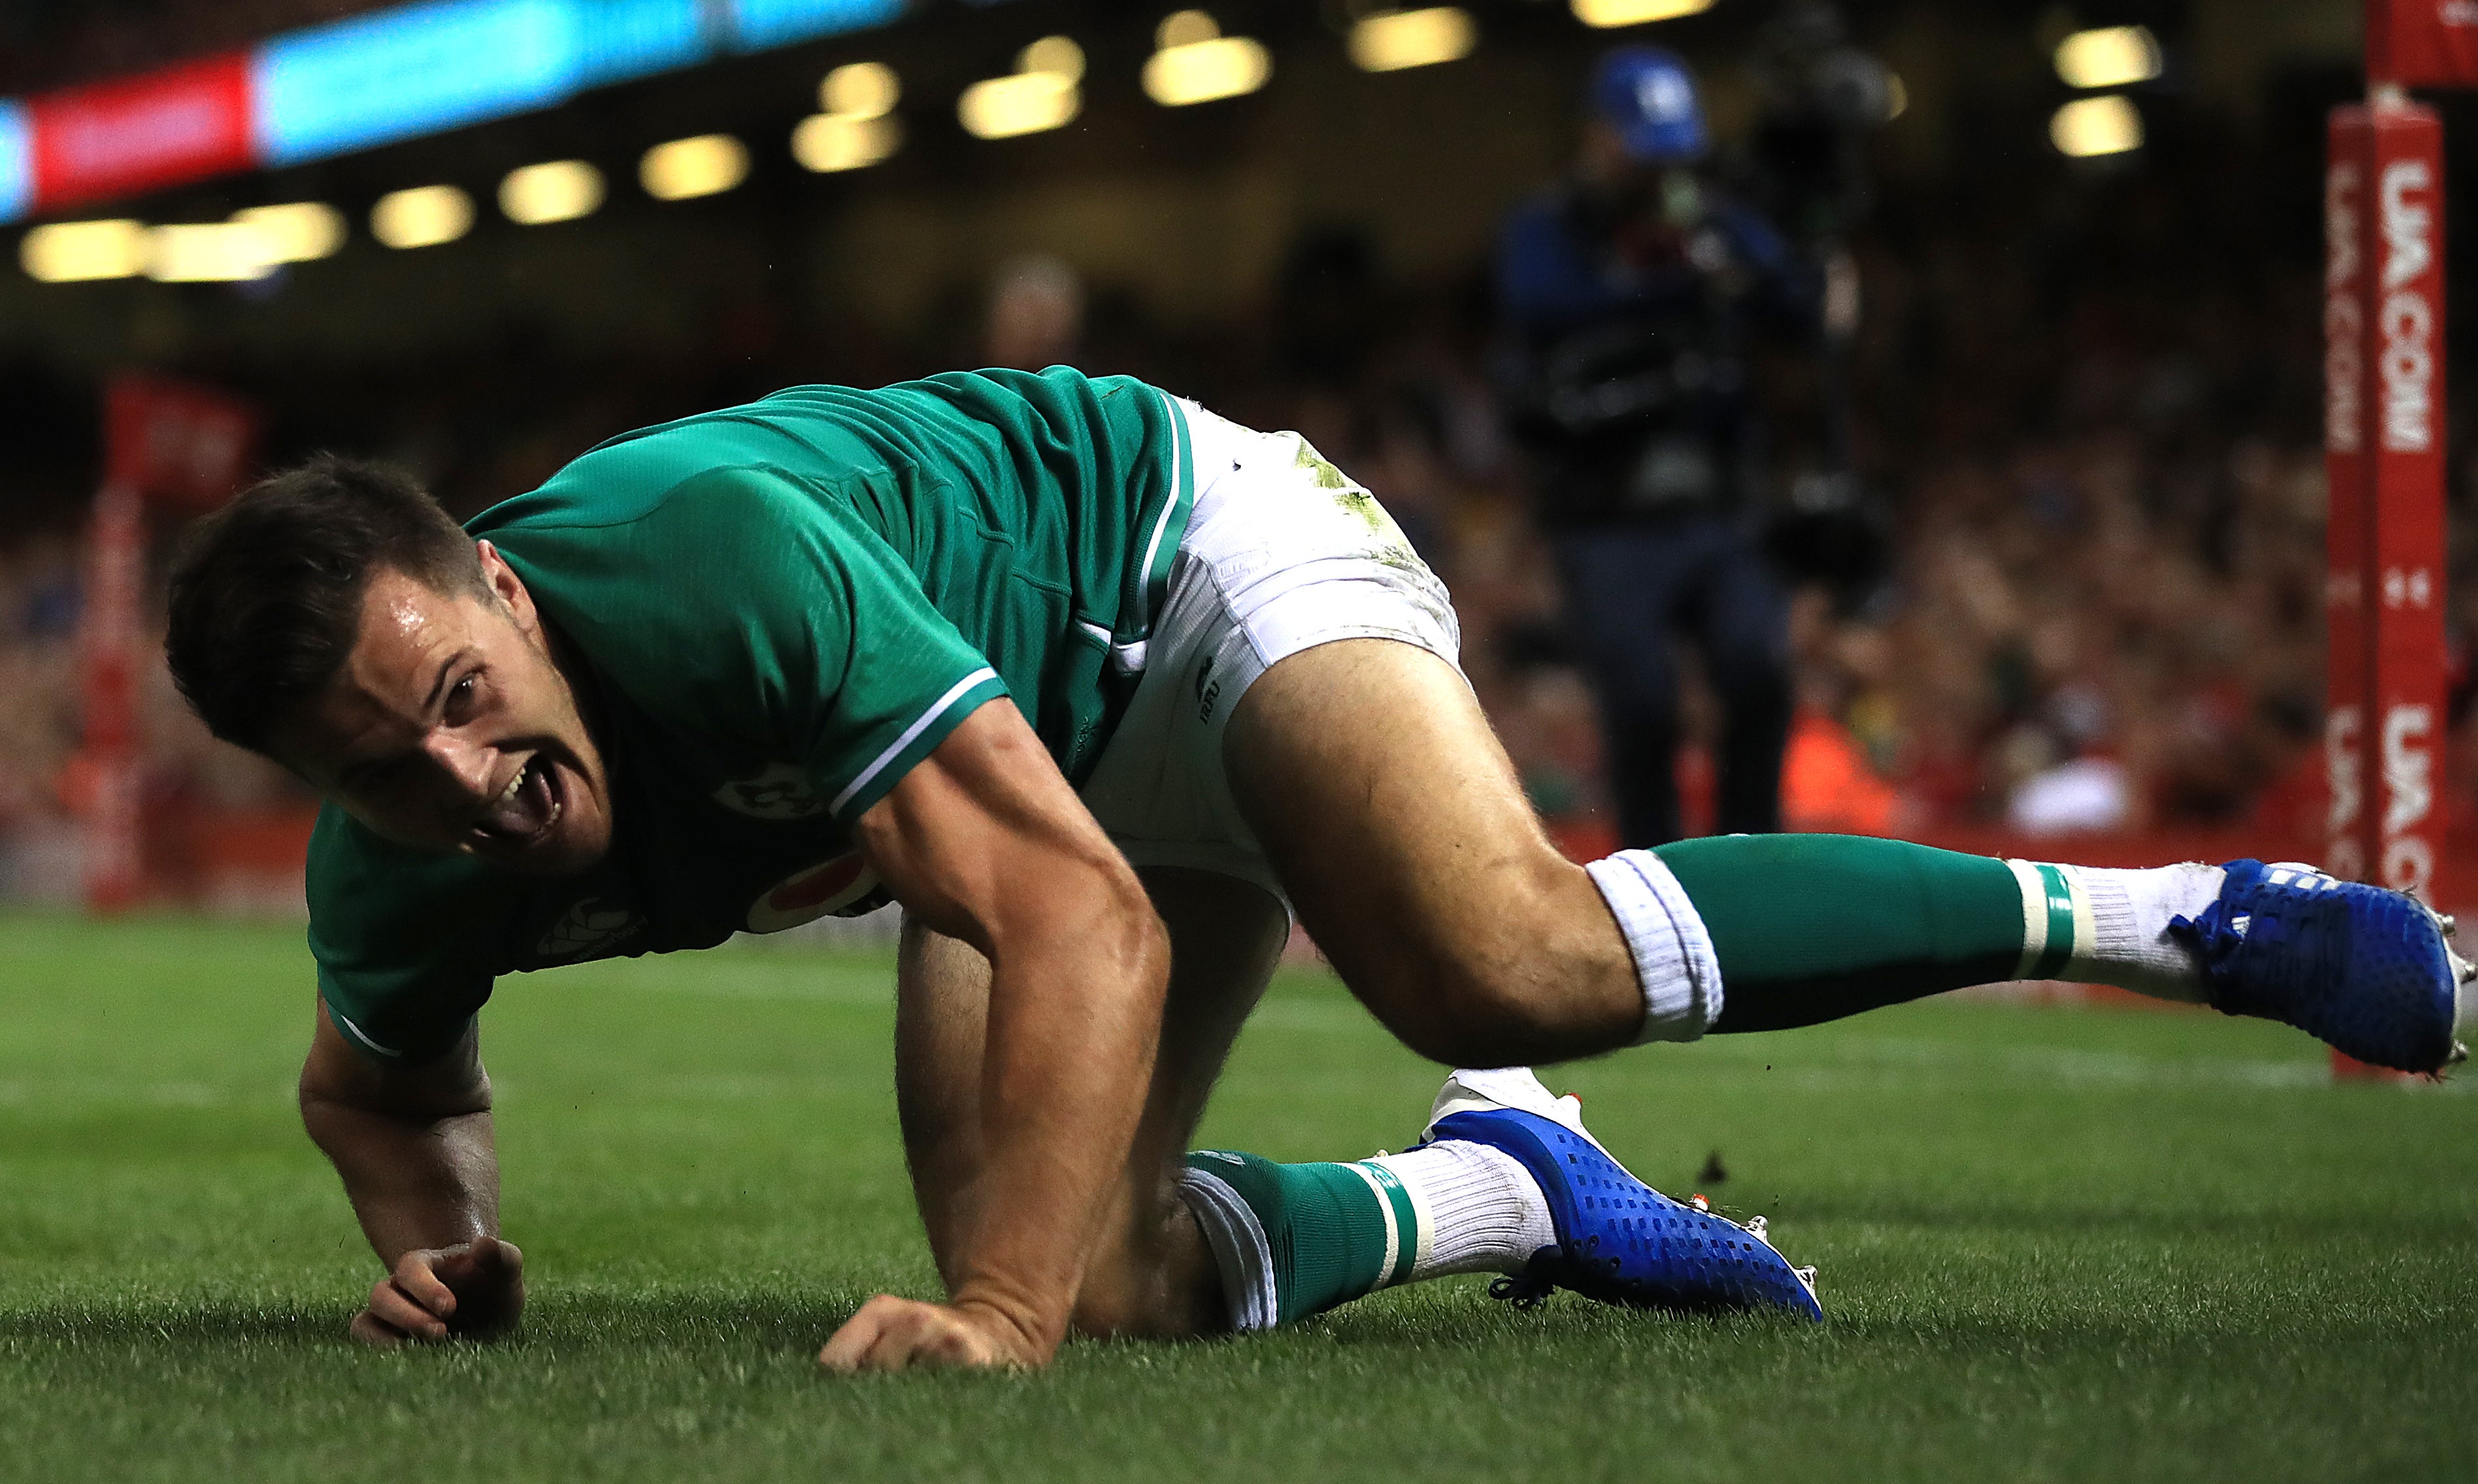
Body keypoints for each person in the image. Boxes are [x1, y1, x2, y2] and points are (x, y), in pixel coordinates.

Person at [162, 367, 2469, 1371]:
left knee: (1501, 954)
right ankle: (1508, 1196)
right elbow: (371, 1088)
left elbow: (1075, 907)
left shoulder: (698, 566)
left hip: (1174, 565)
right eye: (384, 773)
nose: (463, 785)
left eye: (461, 696)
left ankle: (2191, 918)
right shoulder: (404, 868)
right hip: (1020, 776)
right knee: (1125, 1274)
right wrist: (448, 1255)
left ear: (499, 583)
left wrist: (990, 1317)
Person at [1497, 47, 1817, 845]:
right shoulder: (1549, 231)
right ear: (1599, 139)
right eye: (1642, 154)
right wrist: (1670, 281)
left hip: (1717, 503)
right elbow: (1538, 310)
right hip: (1607, 516)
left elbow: (1797, 305)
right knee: (1640, 703)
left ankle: (1755, 853)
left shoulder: (1709, 222)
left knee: (1757, 669)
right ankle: (1657, 871)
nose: (1656, 175)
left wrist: (1742, 258)